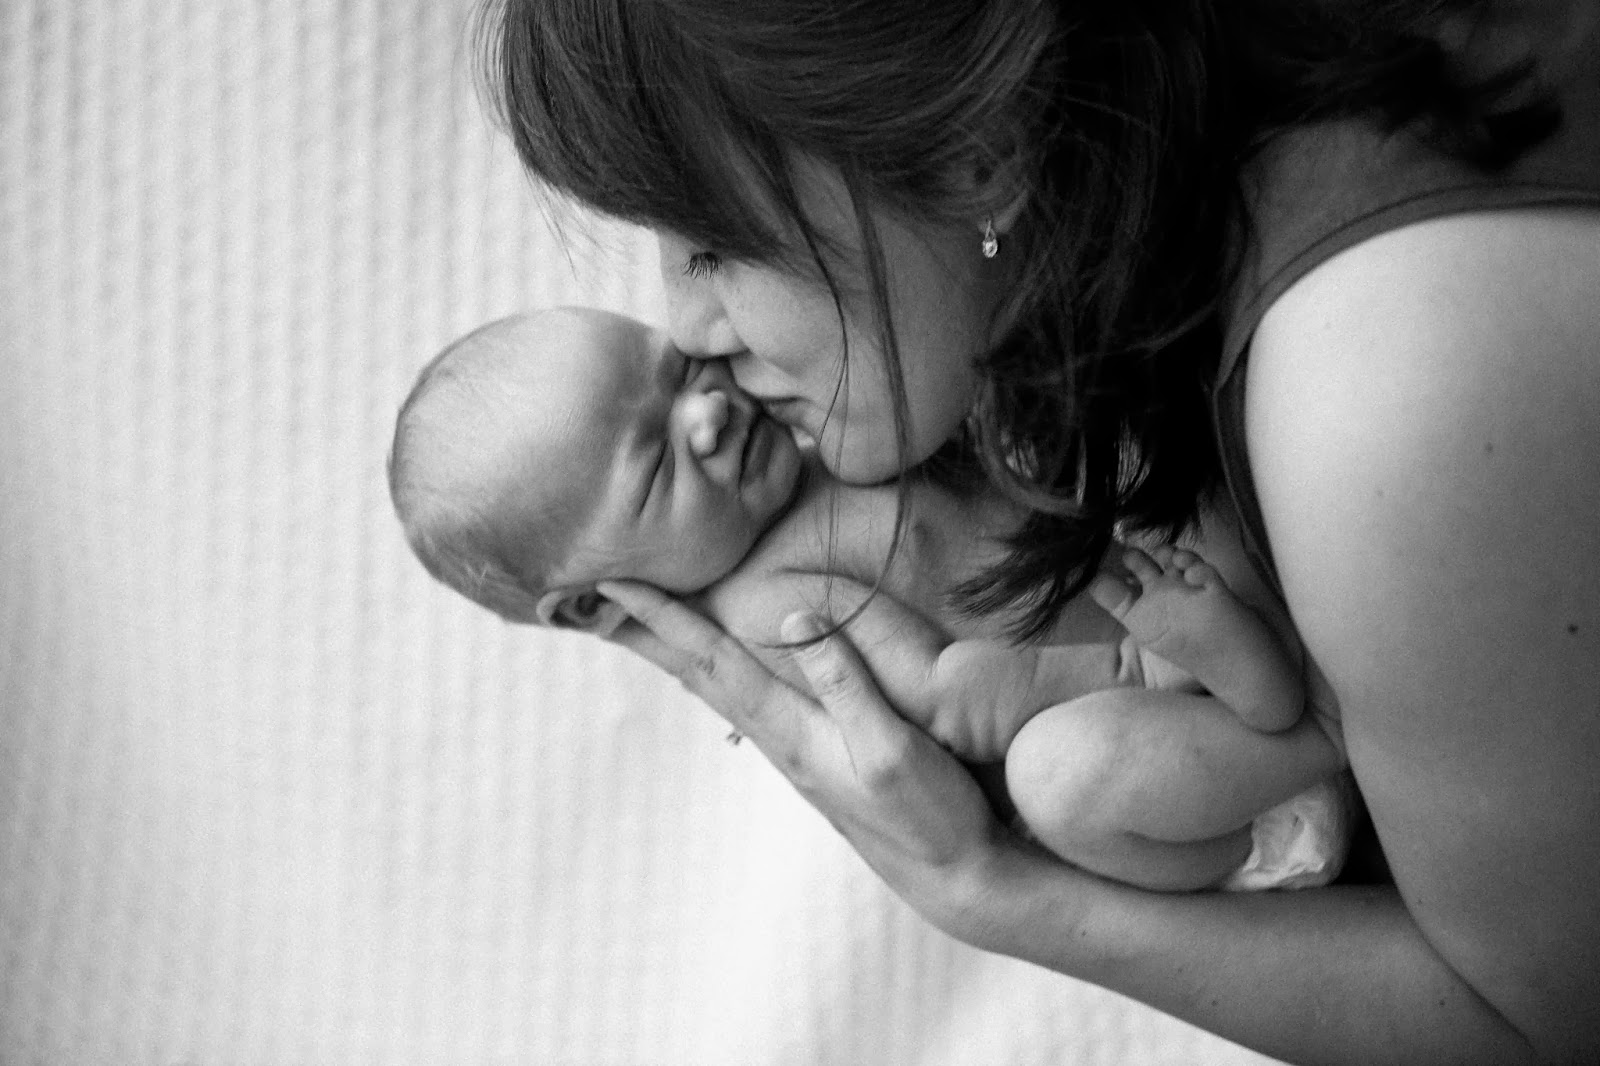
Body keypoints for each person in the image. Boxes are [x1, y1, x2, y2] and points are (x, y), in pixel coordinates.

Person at [477, 0, 1600, 1060]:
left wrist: (987, 891)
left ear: (972, 153)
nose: (684, 328)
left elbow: (1552, 1022)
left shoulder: (1383, 391)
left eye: (711, 242)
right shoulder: (1175, 218)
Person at [388, 306, 1354, 893]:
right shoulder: (767, 607)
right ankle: (1327, 726)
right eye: (657, 465)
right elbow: (945, 693)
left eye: (678, 371)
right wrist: (1129, 664)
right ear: (595, 607)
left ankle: (1289, 677)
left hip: (1188, 610)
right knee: (1057, 777)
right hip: (1181, 773)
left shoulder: (809, 431)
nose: (709, 412)